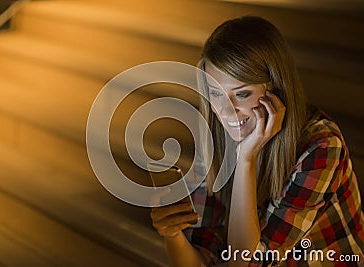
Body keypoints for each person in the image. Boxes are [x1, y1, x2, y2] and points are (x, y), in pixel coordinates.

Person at [150, 16, 364, 266]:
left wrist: (245, 159)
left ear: (275, 89)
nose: (227, 111)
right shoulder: (216, 138)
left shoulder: (322, 147)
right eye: (216, 94)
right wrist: (172, 234)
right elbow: (201, 260)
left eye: (242, 93)